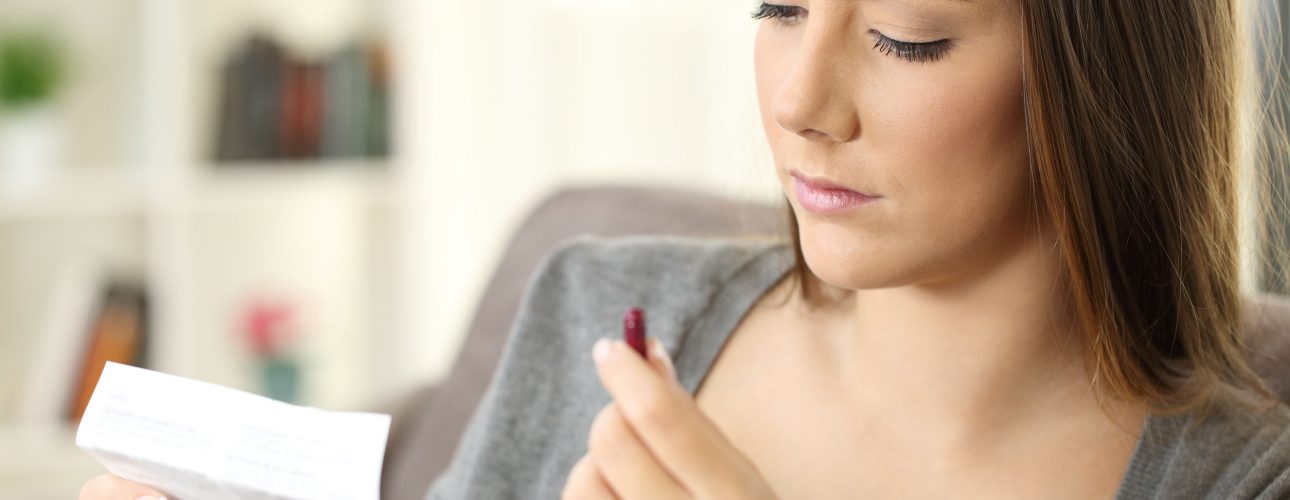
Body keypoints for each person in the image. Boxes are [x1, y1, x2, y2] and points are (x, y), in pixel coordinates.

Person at [84, 0, 1290, 498]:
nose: (801, 99)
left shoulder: (1241, 478)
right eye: (776, 3)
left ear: (1103, 79)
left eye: (907, 38)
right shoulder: (604, 309)